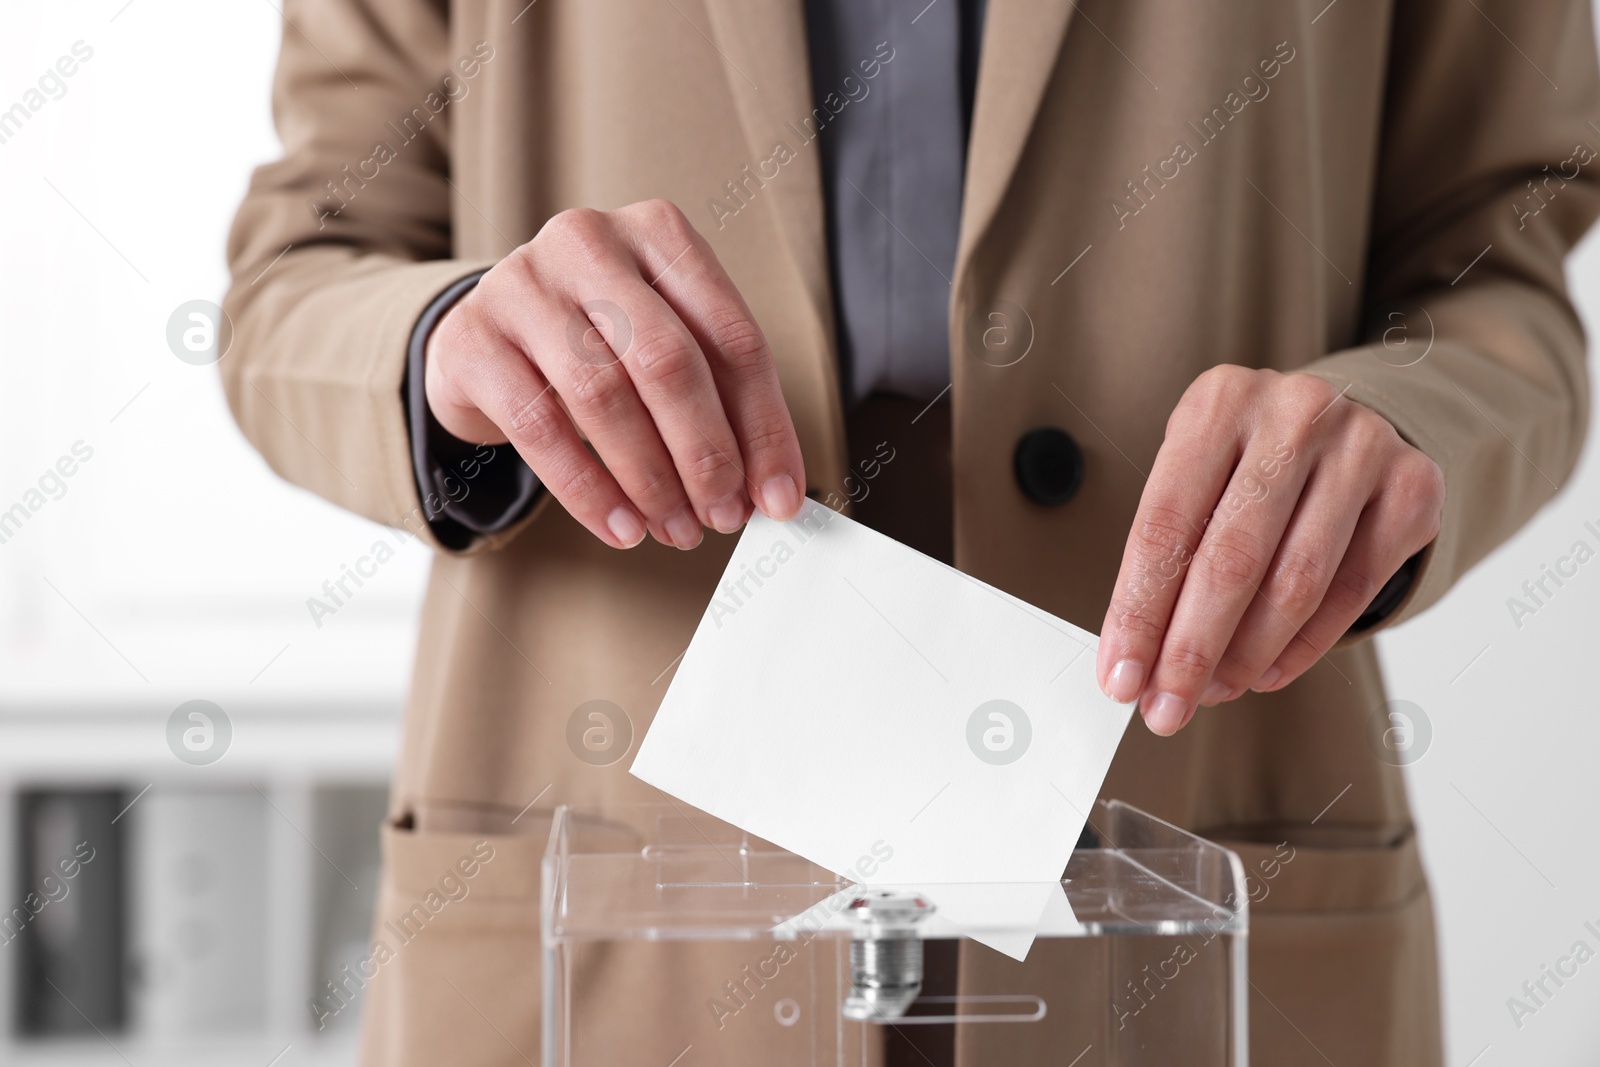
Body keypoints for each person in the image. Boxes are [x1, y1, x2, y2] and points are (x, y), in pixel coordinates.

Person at [222, 1, 1600, 1064]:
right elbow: (298, 273)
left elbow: (1505, 262)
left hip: (1177, 775)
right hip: (625, 787)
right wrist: (451, 344)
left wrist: (1406, 425)